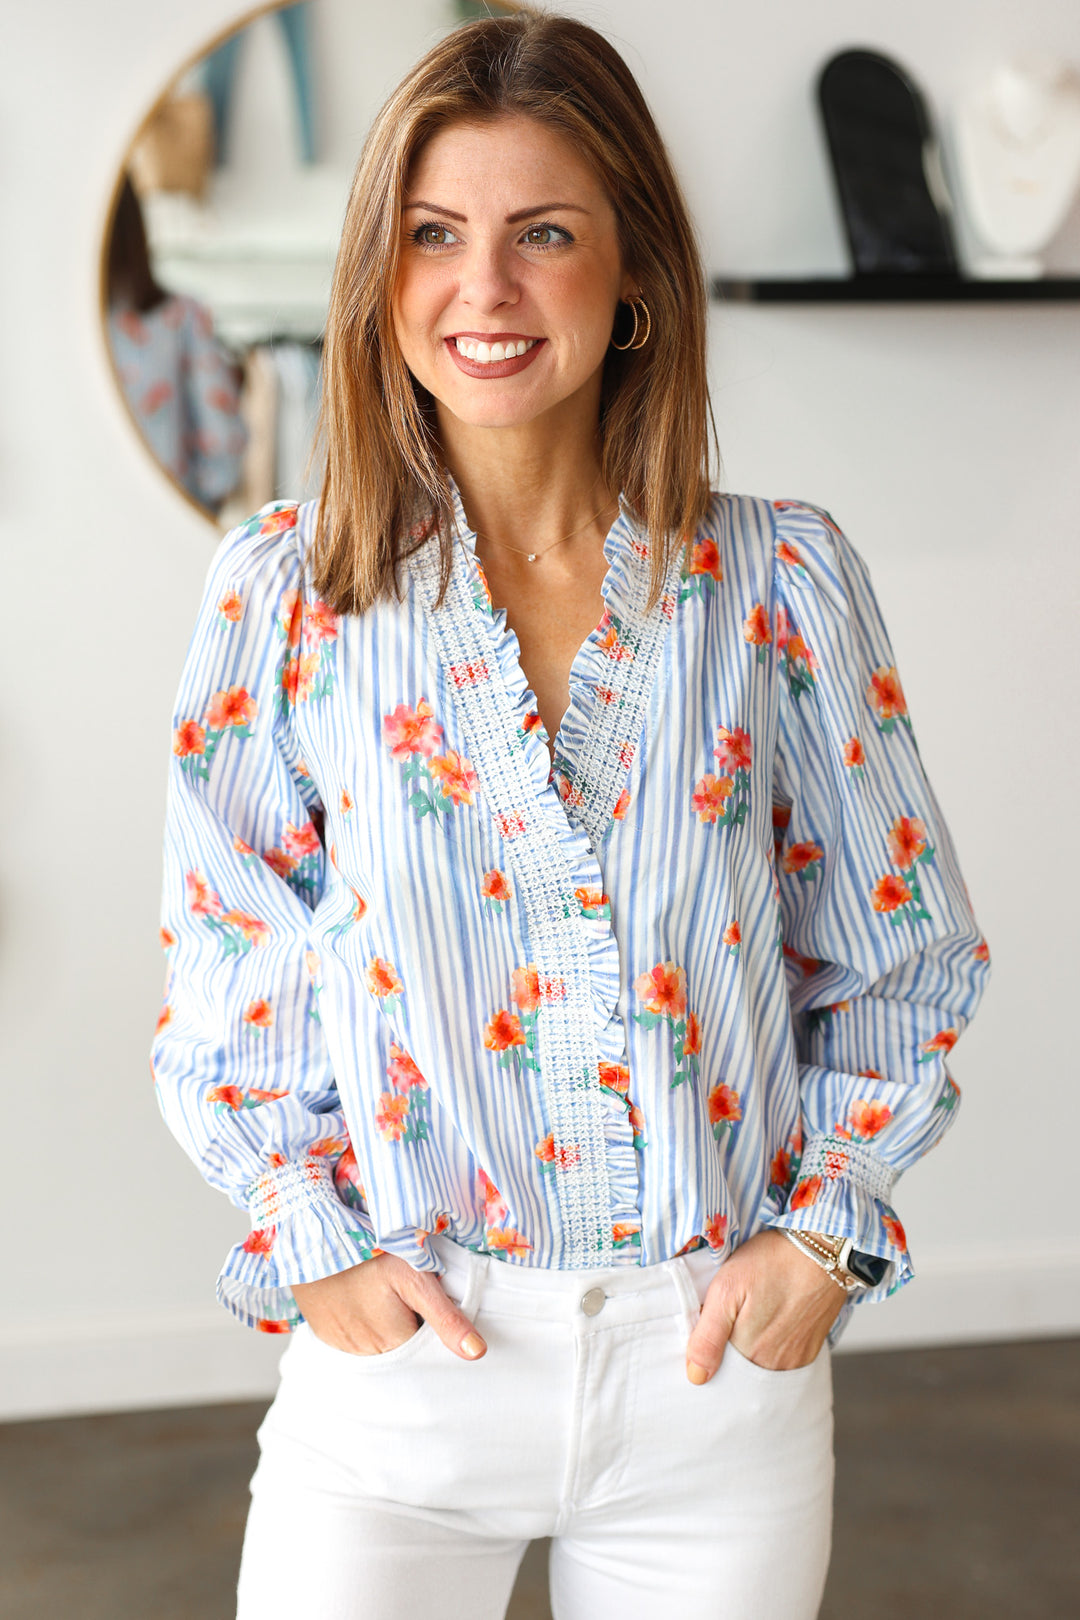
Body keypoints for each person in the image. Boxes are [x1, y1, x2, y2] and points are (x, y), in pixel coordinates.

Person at [150, 11, 990, 1619]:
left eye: (545, 234)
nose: (486, 290)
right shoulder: (285, 593)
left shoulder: (781, 584)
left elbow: (902, 951)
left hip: (710, 1388)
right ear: (378, 278)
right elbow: (227, 953)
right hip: (401, 1380)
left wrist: (828, 1239)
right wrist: (300, 1228)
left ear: (638, 279)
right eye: (434, 237)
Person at [106, 175, 247, 514]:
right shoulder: (182, 318)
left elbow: (223, 449)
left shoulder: (181, 319)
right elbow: (223, 448)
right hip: (169, 525)